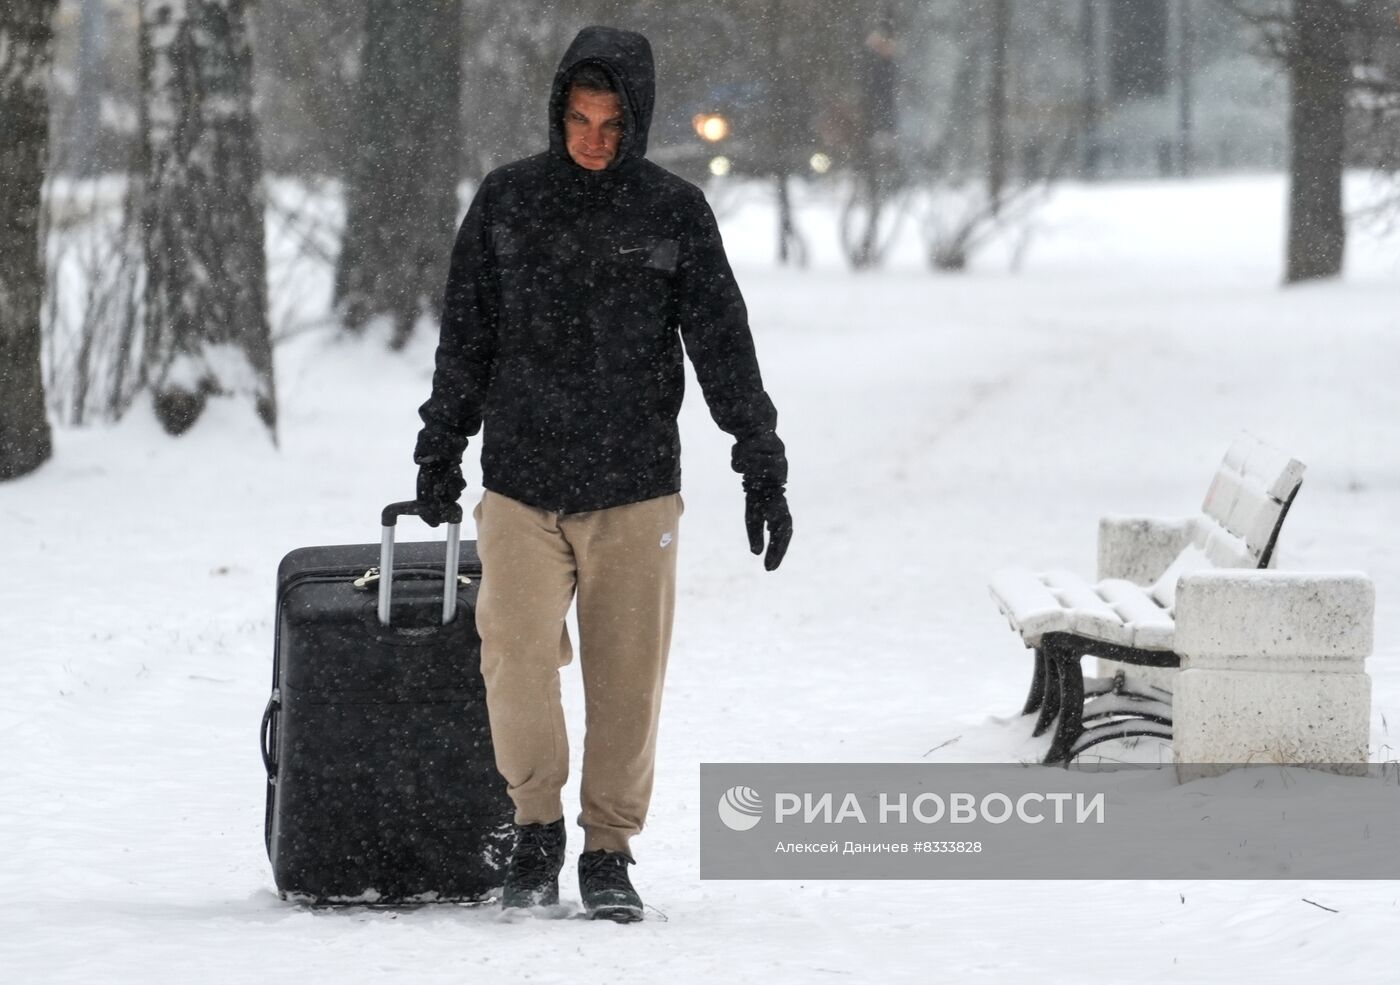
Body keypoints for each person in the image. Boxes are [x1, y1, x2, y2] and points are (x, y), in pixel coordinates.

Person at [412, 25, 791, 923]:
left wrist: (759, 459)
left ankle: (608, 849)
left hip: (633, 489)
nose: (592, 138)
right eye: (578, 119)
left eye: (612, 122)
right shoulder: (507, 203)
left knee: (626, 678)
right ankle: (537, 823)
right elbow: (465, 341)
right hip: (521, 482)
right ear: (556, 114)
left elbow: (722, 347)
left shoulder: (674, 213)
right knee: (512, 653)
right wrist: (440, 445)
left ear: (638, 122)